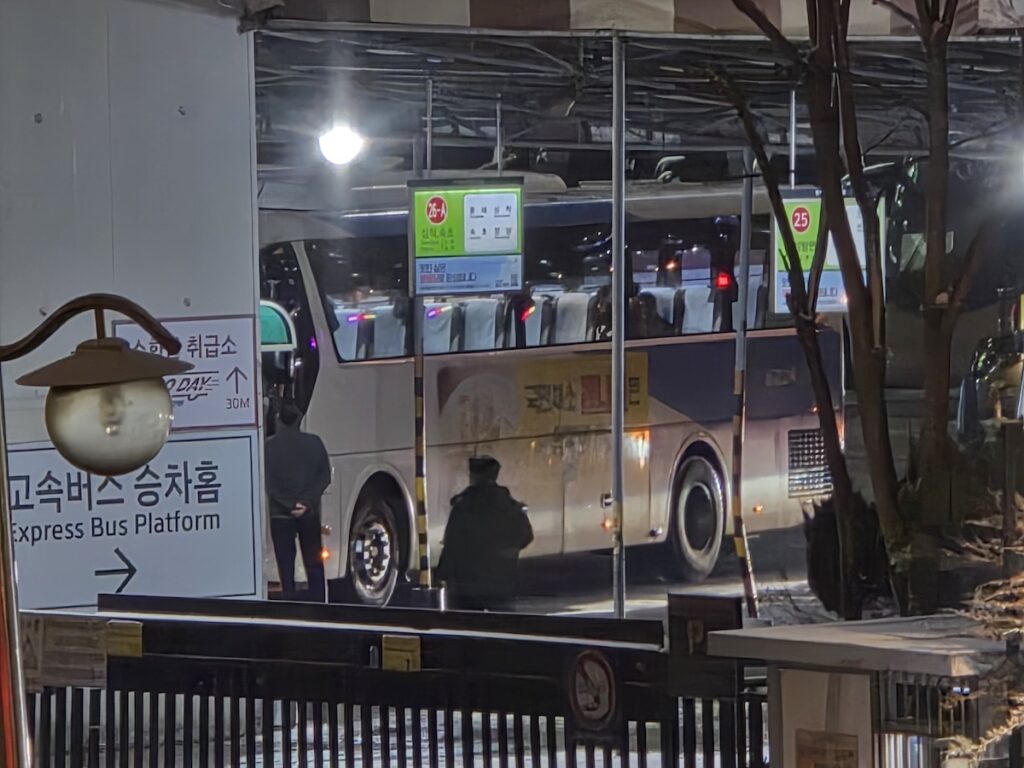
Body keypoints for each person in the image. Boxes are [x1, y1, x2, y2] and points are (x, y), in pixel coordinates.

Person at [436, 456, 533, 611]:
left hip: (467, 586)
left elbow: (452, 544)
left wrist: (441, 575)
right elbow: (526, 537)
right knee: (502, 627)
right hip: (502, 583)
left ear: (473, 476)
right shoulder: (509, 506)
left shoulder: (463, 507)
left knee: (466, 628)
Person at [265, 402, 331, 602]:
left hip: (280, 515)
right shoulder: (315, 443)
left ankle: (289, 605)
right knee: (314, 564)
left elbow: (268, 483)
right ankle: (320, 606)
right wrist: (306, 503)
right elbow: (324, 477)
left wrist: (287, 505)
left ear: (278, 420)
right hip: (309, 514)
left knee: (286, 566)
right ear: (299, 421)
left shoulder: (269, 447)